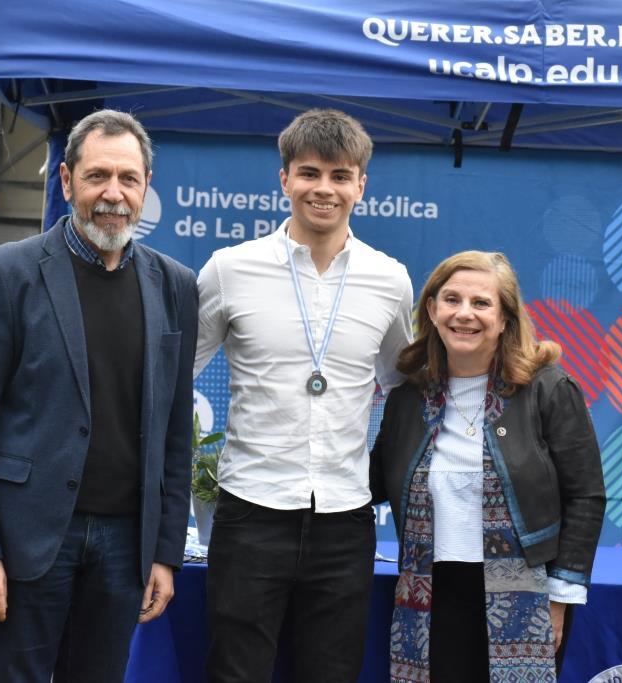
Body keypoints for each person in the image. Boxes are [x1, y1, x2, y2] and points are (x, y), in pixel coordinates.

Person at [0, 109, 198, 682]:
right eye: (97, 176)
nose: (113, 194)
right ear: (66, 180)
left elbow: (175, 433)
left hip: (124, 548)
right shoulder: (6, 275)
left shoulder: (176, 286)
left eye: (128, 178)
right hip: (27, 543)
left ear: (146, 185)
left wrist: (164, 553)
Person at [194, 108, 414, 682]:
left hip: (345, 518)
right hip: (249, 510)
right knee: (235, 674)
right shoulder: (229, 270)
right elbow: (173, 376)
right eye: (310, 173)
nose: (324, 189)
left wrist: (381, 477)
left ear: (361, 186)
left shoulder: (390, 279)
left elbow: (405, 387)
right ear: (285, 179)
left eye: (340, 176)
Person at [370, 250, 606, 682]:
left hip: (529, 596)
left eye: (481, 303)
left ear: (504, 319)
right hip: (428, 594)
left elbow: (585, 495)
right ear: (432, 311)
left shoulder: (548, 389)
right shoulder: (407, 398)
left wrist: (560, 598)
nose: (464, 313)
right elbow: (371, 483)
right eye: (452, 300)